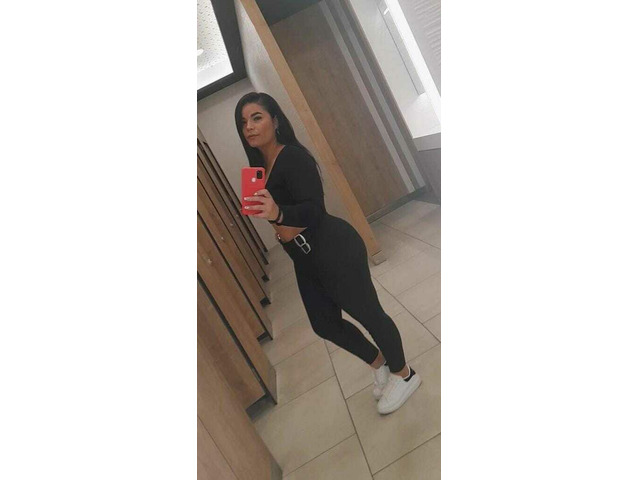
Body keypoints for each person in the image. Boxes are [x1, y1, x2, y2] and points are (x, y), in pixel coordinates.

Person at [234, 92, 421, 414]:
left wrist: (278, 213)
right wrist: (274, 217)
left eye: (256, 117)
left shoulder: (293, 157)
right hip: (304, 258)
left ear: (275, 121)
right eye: (243, 122)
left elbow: (314, 210)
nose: (248, 127)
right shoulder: (261, 167)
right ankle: (379, 363)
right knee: (324, 323)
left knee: (369, 314)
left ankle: (404, 374)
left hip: (333, 248)